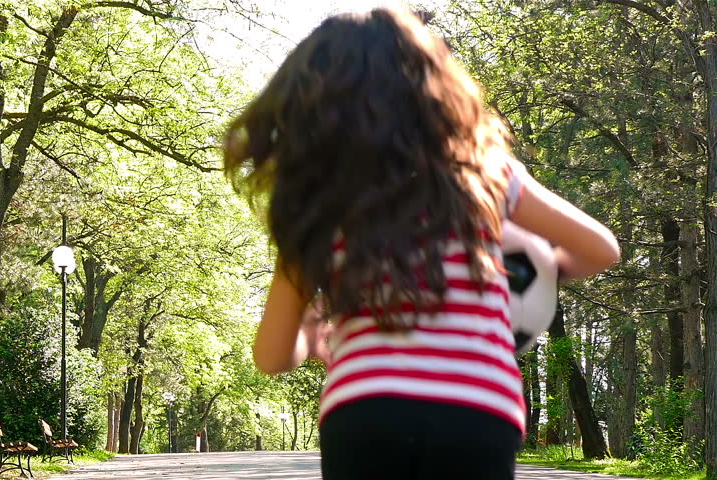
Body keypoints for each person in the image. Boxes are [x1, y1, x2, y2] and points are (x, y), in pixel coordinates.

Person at [223, 8, 619, 479]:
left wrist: (310, 336)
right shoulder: (488, 174)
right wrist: (537, 263)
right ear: (439, 88)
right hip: (478, 413)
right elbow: (602, 249)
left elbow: (270, 356)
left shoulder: (318, 204)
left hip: (365, 414)